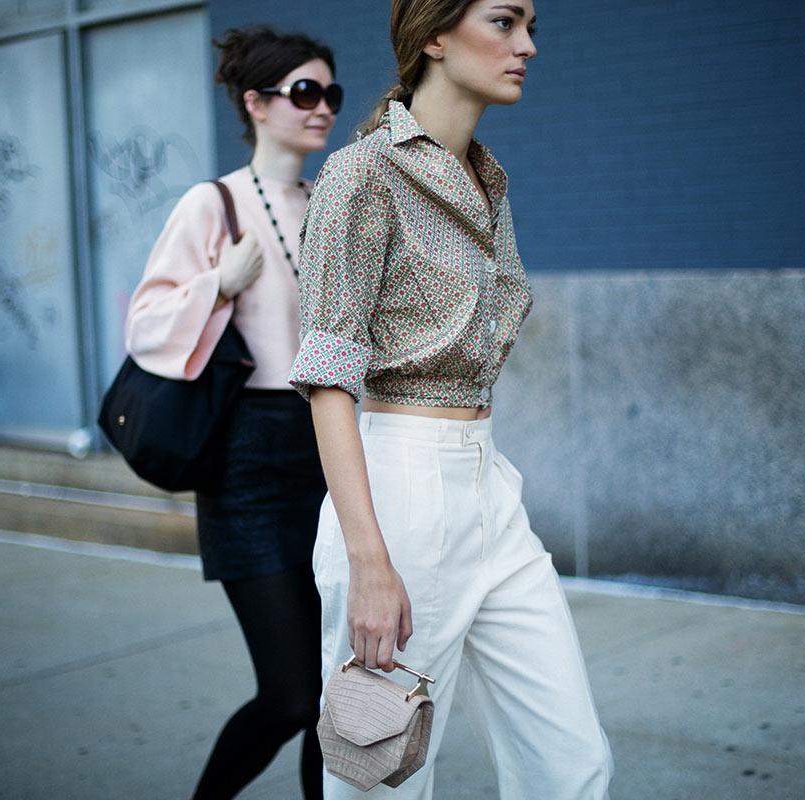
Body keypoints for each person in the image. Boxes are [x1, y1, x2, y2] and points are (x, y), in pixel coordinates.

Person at [288, 1, 614, 798]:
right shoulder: (361, 174)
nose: (527, 46)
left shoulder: (486, 178)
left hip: (488, 486)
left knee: (571, 764)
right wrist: (370, 561)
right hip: (400, 489)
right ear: (434, 34)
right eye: (504, 22)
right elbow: (328, 377)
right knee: (383, 776)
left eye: (531, 25)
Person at [124, 25, 343, 800]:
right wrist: (217, 282)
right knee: (291, 695)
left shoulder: (328, 203)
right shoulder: (211, 203)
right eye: (304, 92)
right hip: (247, 460)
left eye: (330, 93)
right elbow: (145, 324)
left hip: (330, 452)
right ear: (255, 103)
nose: (322, 108)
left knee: (335, 694)